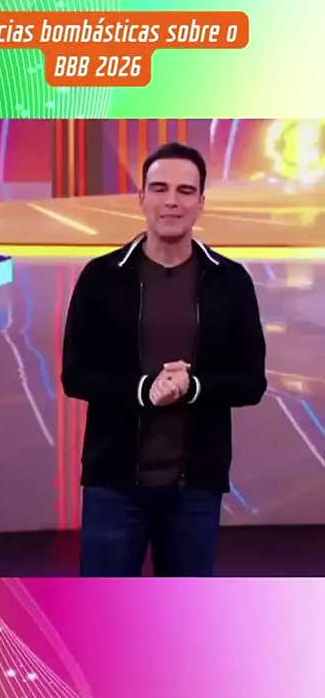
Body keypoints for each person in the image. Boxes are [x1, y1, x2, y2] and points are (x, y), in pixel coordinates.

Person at [61, 141, 267, 577]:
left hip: (196, 489)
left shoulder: (230, 280)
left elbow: (251, 382)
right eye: (159, 188)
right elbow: (76, 374)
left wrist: (193, 388)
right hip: (113, 485)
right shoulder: (101, 276)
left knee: (182, 612)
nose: (172, 200)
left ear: (201, 203)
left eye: (185, 191)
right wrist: (144, 390)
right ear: (142, 198)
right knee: (102, 611)